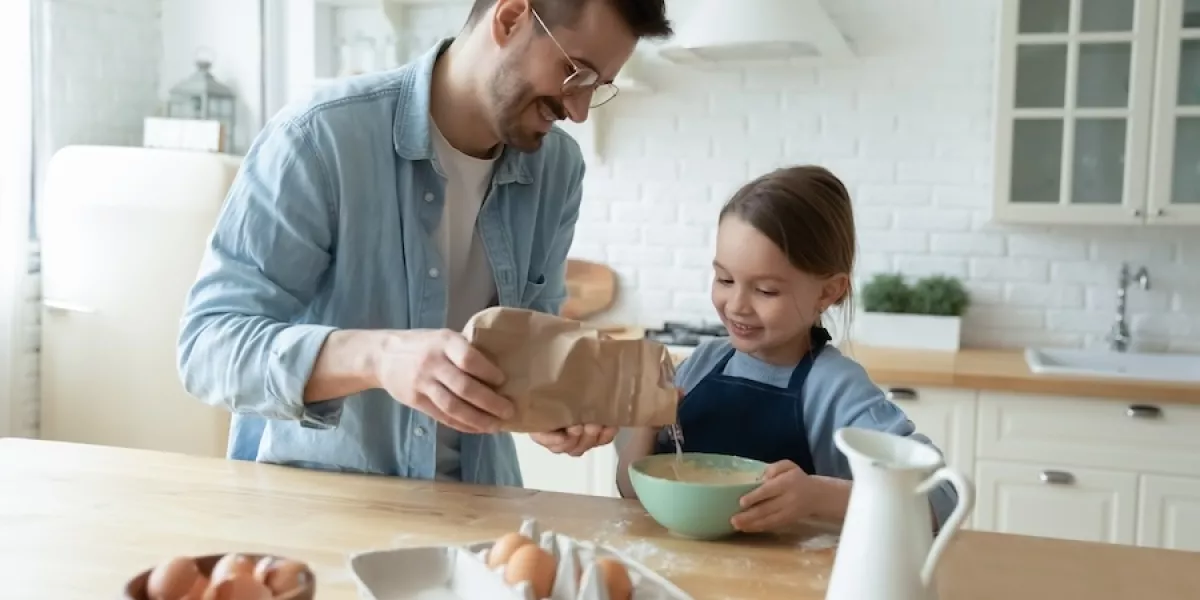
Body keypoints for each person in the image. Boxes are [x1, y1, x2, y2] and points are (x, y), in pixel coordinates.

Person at [176, 0, 673, 485]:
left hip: (477, 504)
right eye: (576, 74)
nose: (580, 110)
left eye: (598, 87)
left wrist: (558, 406)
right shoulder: (319, 137)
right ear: (510, 18)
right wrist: (379, 357)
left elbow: (532, 345)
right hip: (319, 507)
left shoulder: (557, 170)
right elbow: (208, 347)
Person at [614, 165, 958, 533]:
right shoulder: (704, 363)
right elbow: (629, 490)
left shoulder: (834, 388)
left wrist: (816, 496)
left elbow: (941, 497)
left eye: (766, 290)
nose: (736, 305)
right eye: (725, 279)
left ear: (828, 292)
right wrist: (645, 423)